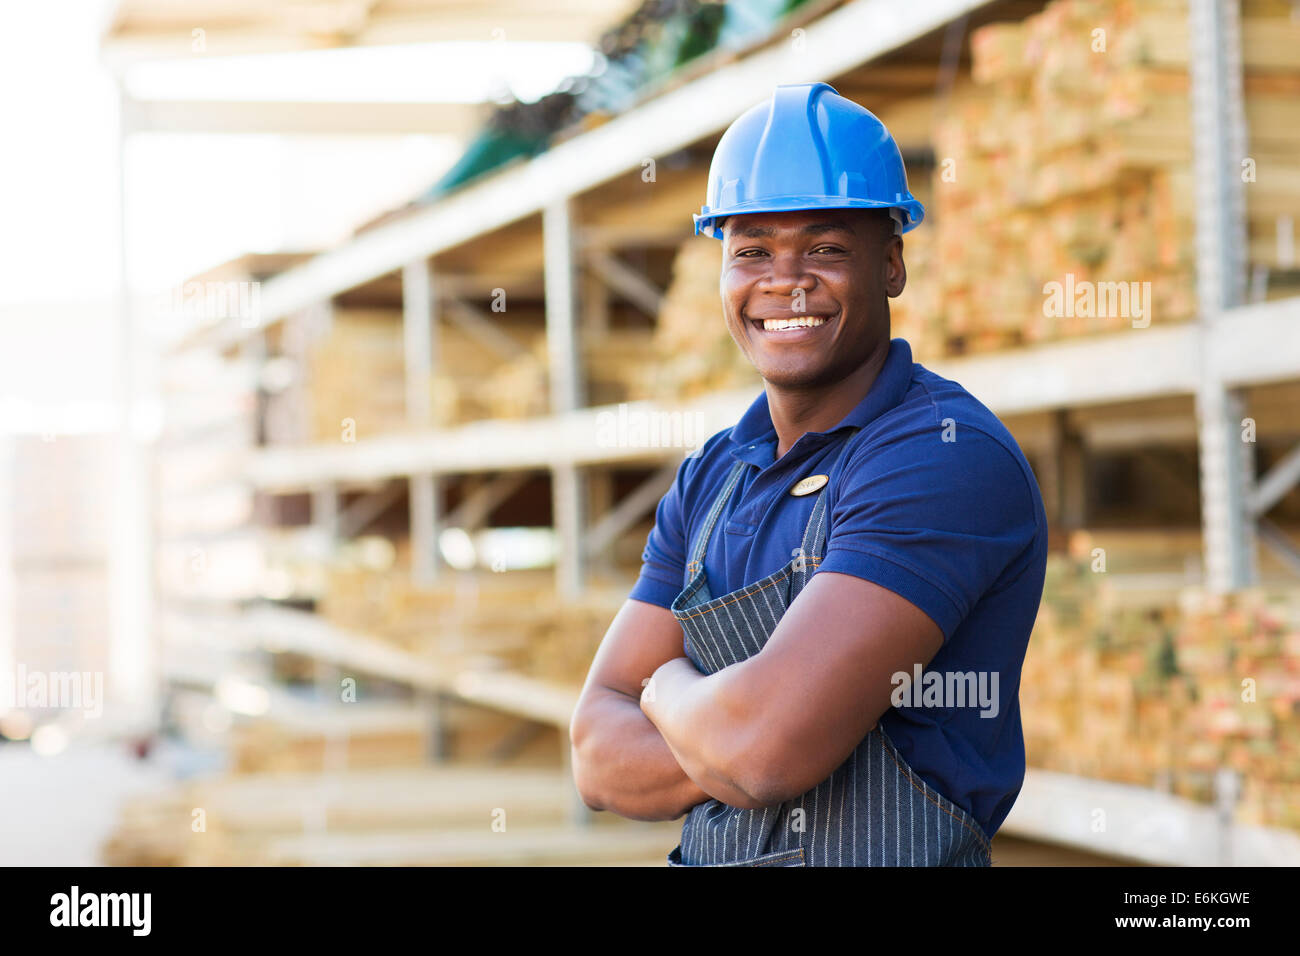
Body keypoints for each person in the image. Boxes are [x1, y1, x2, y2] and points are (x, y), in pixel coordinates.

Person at [569, 82, 1048, 866]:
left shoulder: (941, 456)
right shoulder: (712, 478)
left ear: (890, 265)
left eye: (825, 250)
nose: (785, 282)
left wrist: (665, 693)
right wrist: (729, 736)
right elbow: (595, 751)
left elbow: (764, 753)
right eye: (751, 251)